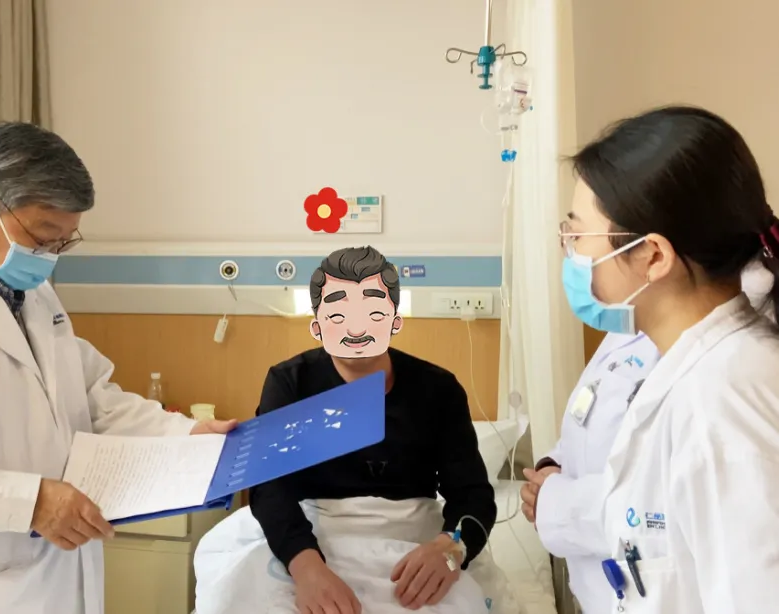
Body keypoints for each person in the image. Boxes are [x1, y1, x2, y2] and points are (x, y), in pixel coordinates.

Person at [0, 122, 236, 614]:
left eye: (62, 242)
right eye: (41, 236)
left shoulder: (29, 293)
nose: (48, 256)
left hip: (51, 580)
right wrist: (27, 502)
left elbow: (92, 398)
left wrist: (184, 434)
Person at [541, 105, 779, 613]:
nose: (570, 253)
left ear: (652, 256)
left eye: (577, 236)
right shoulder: (689, 367)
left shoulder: (723, 398)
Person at [248, 246, 497, 614]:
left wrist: (450, 549)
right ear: (317, 325)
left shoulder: (438, 390)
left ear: (395, 321)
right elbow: (268, 486)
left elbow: (473, 494)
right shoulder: (291, 384)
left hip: (414, 543)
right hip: (310, 539)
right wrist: (307, 569)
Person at [519, 332, 660, 614]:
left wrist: (554, 504)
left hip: (649, 591)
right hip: (600, 592)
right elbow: (585, 428)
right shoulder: (620, 335)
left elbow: (657, 502)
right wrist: (552, 467)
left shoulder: (698, 355)